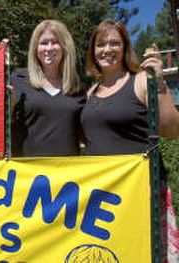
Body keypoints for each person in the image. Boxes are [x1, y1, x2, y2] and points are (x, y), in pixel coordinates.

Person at [81, 18, 179, 262]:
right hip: (102, 196)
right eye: (101, 44)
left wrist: (160, 83)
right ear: (93, 51)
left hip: (142, 191)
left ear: (125, 48)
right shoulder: (90, 92)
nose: (107, 50)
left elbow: (173, 130)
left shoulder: (141, 81)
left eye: (115, 43)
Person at [11, 19, 85, 157]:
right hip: (26, 173)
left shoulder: (77, 88)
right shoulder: (17, 80)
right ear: (35, 48)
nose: (49, 48)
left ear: (64, 47)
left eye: (55, 42)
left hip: (68, 174)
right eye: (44, 43)